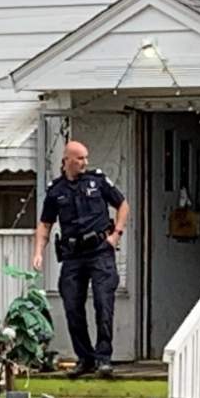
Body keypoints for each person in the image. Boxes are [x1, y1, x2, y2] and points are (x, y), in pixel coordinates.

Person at [32, 140, 130, 378]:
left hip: (100, 251)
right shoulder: (56, 190)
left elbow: (123, 204)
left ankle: (103, 358)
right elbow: (45, 224)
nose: (85, 162)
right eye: (80, 158)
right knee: (72, 307)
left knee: (102, 304)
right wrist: (38, 252)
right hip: (73, 256)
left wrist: (116, 234)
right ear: (67, 161)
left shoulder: (97, 181)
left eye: (86, 157)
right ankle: (85, 359)